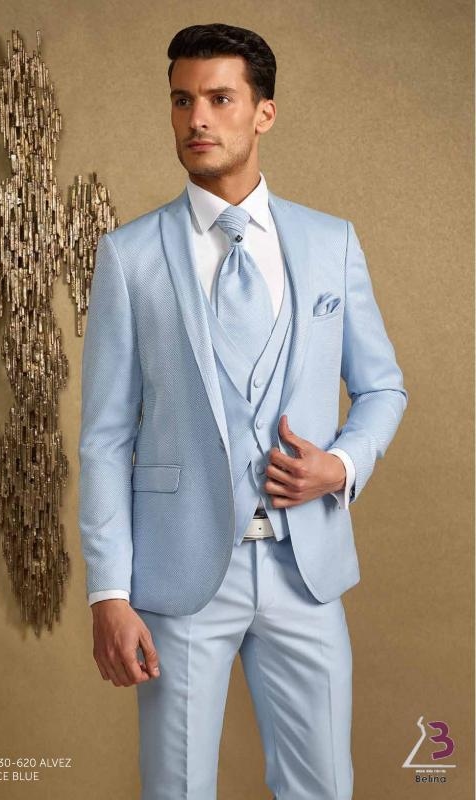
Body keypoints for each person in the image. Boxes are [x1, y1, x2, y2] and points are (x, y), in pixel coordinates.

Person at [78, 22, 408, 800]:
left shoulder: (331, 243)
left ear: (264, 113)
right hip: (181, 574)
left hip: (306, 571)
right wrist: (108, 593)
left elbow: (383, 387)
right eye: (182, 100)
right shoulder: (130, 256)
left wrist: (342, 465)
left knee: (323, 787)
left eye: (220, 99)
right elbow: (104, 438)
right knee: (176, 789)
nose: (197, 118)